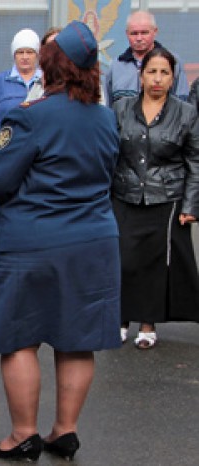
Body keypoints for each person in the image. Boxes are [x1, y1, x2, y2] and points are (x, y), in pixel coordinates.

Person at [0, 21, 121, 461]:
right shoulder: (106, 118)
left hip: (34, 244)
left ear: (51, 65)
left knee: (20, 339)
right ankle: (65, 431)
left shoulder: (28, 114)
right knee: (76, 339)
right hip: (94, 241)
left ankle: (23, 435)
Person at [112, 47, 199, 349]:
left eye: (164, 72)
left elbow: (195, 162)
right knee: (123, 260)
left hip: (167, 198)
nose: (158, 79)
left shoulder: (186, 113)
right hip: (124, 195)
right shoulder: (121, 108)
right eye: (152, 71)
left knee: (153, 264)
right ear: (141, 75)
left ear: (173, 77)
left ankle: (147, 324)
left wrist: (190, 205)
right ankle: (121, 318)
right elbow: (110, 155)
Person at [0, 28, 42, 281]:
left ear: (37, 55)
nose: (25, 57)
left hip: (37, 163)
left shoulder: (47, 82)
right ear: (13, 55)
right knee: (0, 210)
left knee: (35, 209)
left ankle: (32, 259)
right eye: (20, 52)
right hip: (6, 161)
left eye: (30, 52)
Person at [105, 10, 188, 105]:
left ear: (155, 31)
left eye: (144, 33)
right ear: (127, 34)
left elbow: (182, 105)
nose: (139, 38)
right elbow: (110, 108)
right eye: (134, 33)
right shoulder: (116, 66)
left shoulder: (173, 62)